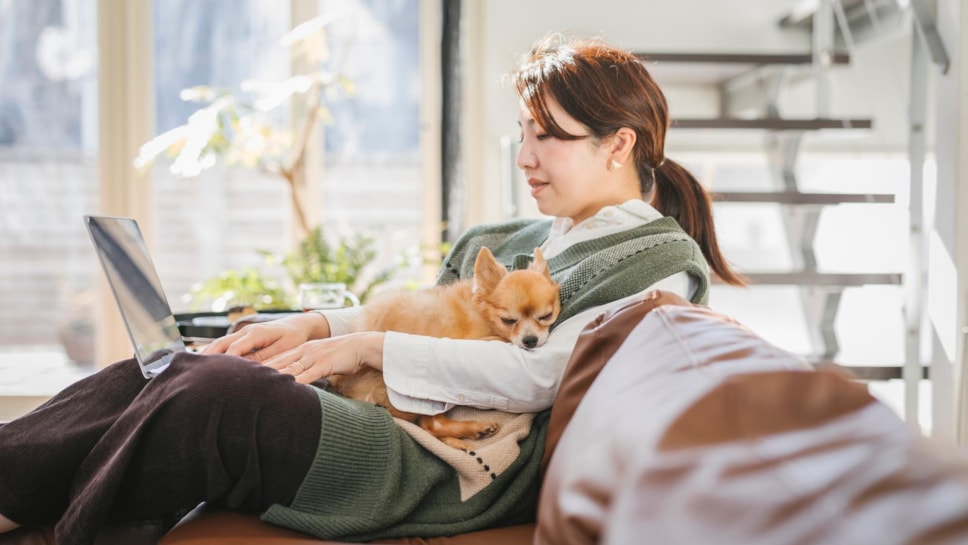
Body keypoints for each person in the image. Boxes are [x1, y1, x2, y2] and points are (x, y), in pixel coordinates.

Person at [0, 34, 743, 544]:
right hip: (396, 414)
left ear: (621, 143)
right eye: (522, 132)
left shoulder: (659, 264)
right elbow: (424, 310)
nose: (525, 156)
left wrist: (366, 346)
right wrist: (316, 328)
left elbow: (539, 375)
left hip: (441, 460)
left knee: (215, 396)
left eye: (548, 135)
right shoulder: (527, 240)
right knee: (176, 365)